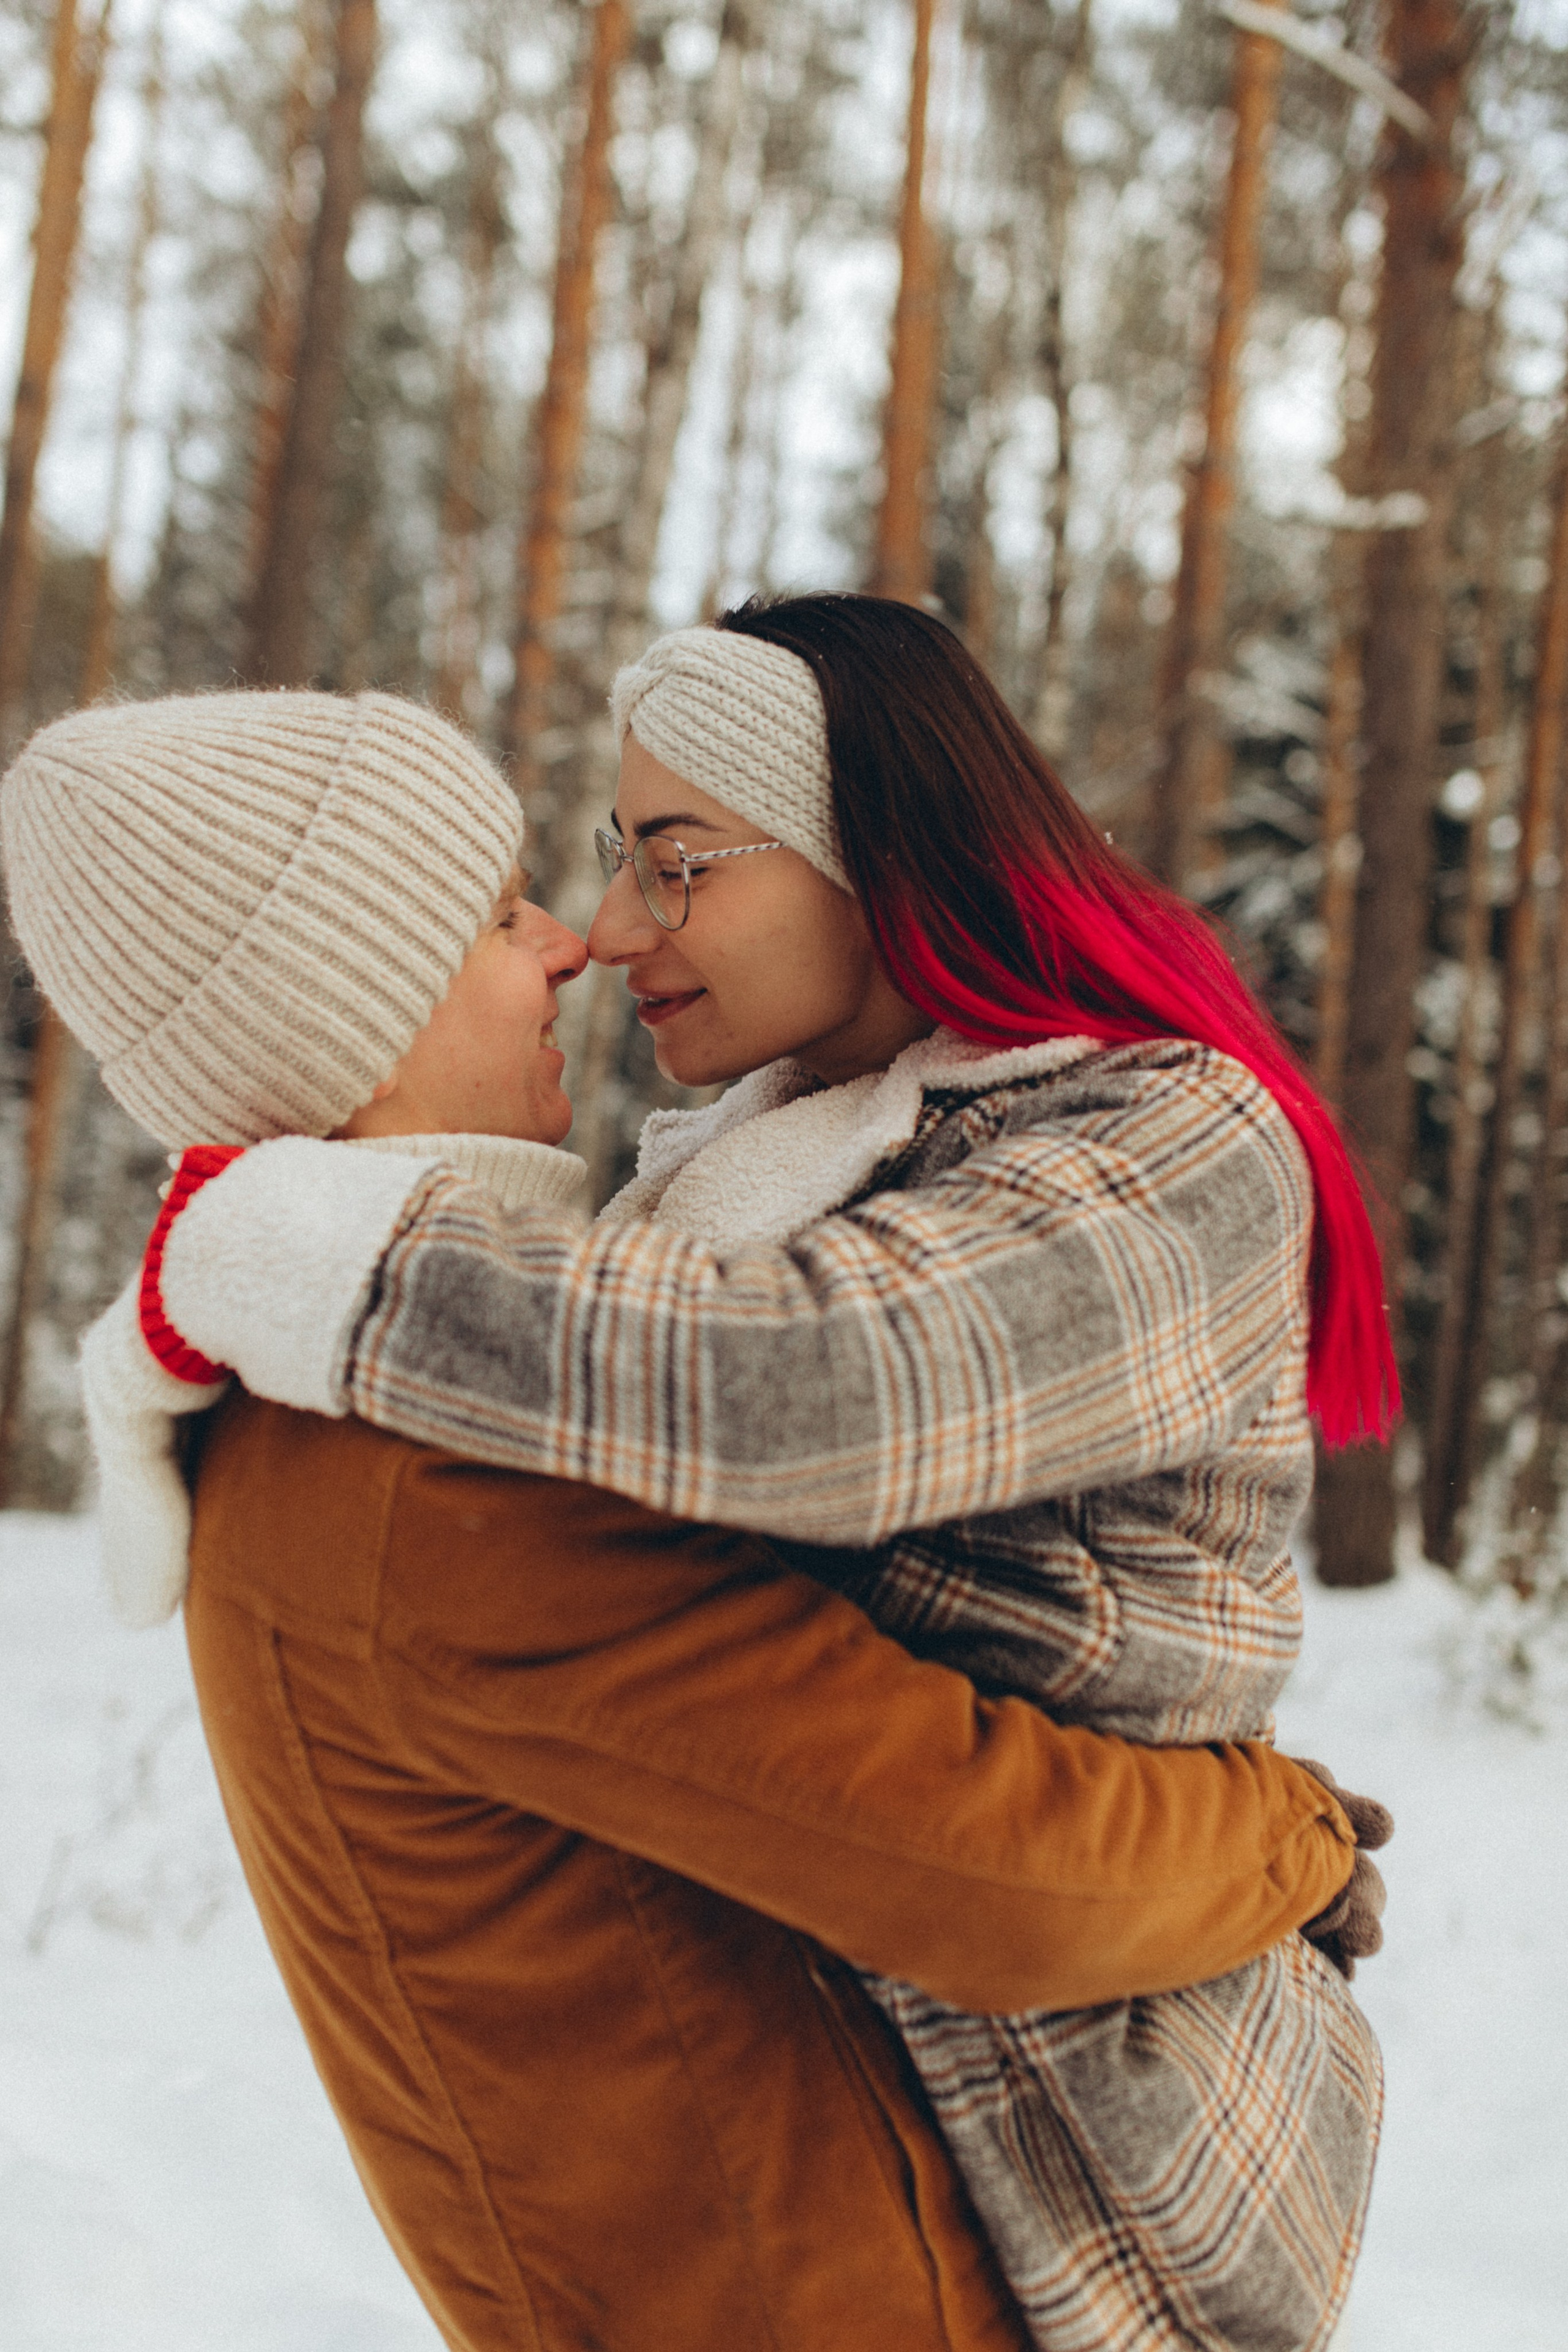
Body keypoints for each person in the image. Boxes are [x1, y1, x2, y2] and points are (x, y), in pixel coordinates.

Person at [83, 597, 1396, 2352]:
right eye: (607, 867)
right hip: (952, 2102)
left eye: (679, 865)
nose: (611, 929)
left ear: (879, 853)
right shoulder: (745, 1170)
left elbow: (825, 1385)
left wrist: (295, 1251)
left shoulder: (1164, 1136)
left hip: (1119, 2132)